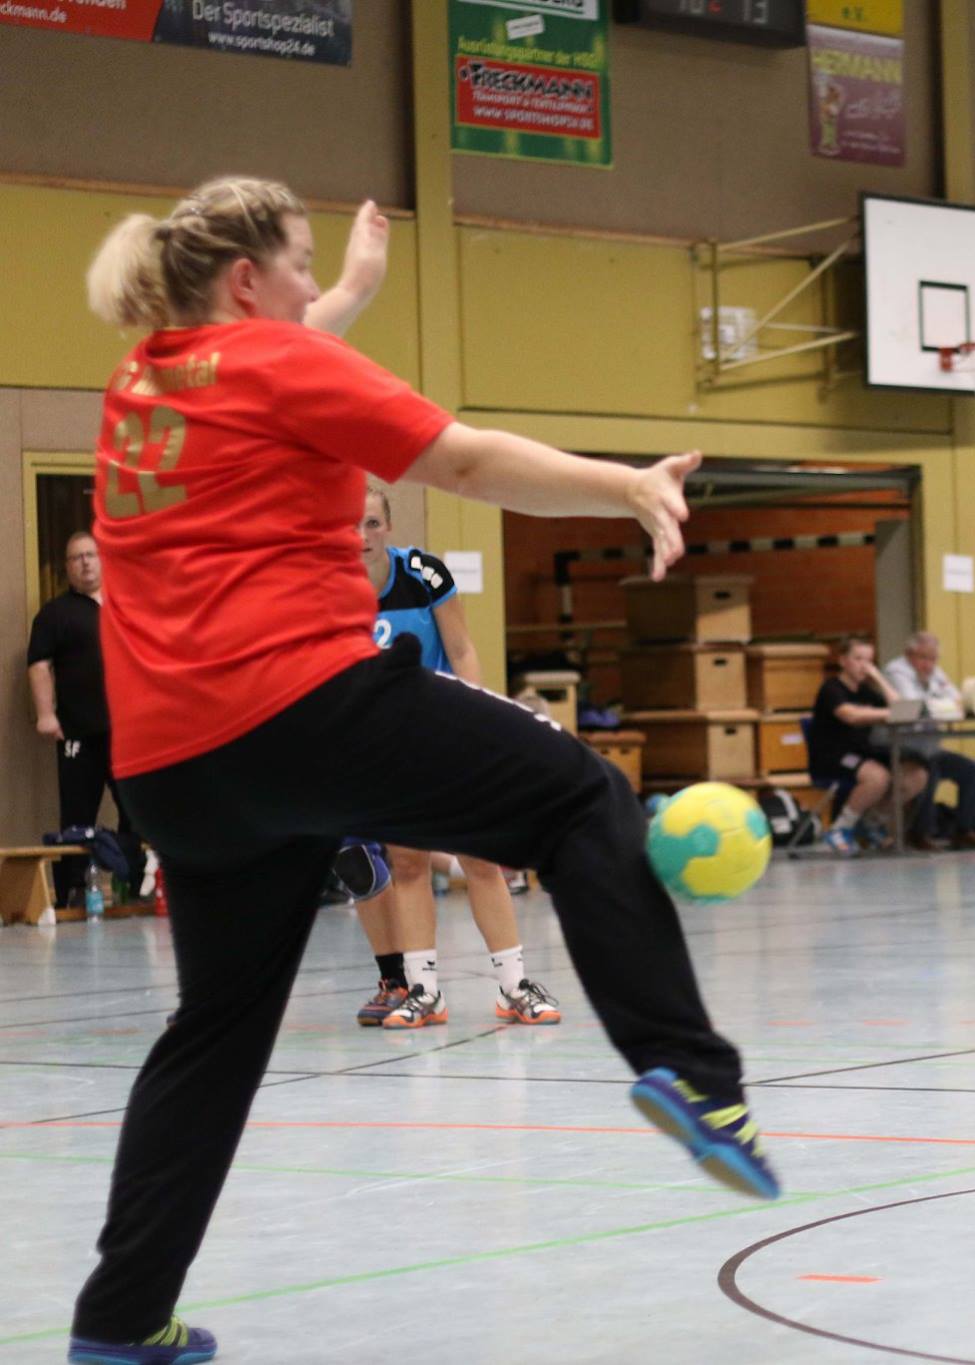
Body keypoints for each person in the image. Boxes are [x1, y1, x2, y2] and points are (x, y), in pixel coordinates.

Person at [69, 176, 776, 1364]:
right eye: (299, 267)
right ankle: (689, 1072)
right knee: (579, 797)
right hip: (304, 705)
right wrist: (625, 484)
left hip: (174, 767)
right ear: (246, 280)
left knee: (215, 1030)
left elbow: (272, 358)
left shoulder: (142, 381)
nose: (312, 289)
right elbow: (466, 463)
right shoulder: (282, 362)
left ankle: (119, 1322)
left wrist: (345, 290)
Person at [353, 488, 563, 1029]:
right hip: (384, 747)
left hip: (443, 731)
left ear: (388, 526)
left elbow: (463, 648)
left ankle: (514, 986)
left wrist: (477, 721)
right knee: (407, 864)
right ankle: (425, 992)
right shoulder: (328, 588)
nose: (362, 536)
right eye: (351, 525)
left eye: (372, 523)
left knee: (480, 858)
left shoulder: (424, 574)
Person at [26, 531, 134, 907]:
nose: (85, 562)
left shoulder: (125, 607)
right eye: (77, 557)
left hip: (128, 732)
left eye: (91, 554)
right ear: (67, 567)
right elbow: (39, 665)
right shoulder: (55, 614)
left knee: (137, 812)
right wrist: (45, 714)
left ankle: (133, 883)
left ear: (104, 559)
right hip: (78, 733)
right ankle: (72, 893)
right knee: (76, 817)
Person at [882, 631, 975, 850]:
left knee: (971, 770)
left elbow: (957, 699)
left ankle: (967, 830)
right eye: (923, 658)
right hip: (901, 748)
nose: (929, 664)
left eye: (933, 659)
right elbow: (913, 705)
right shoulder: (895, 671)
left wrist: (939, 704)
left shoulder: (935, 672)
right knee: (930, 771)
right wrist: (940, 704)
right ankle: (920, 833)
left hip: (929, 748)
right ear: (909, 654)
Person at [807, 635, 928, 856]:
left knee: (916, 774)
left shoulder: (866, 691)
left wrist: (878, 678)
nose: (864, 666)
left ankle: (871, 822)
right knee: (878, 777)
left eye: (869, 661)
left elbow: (900, 708)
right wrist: (886, 714)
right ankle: (840, 828)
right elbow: (850, 715)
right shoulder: (831, 688)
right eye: (858, 659)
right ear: (843, 661)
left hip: (862, 752)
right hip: (833, 755)